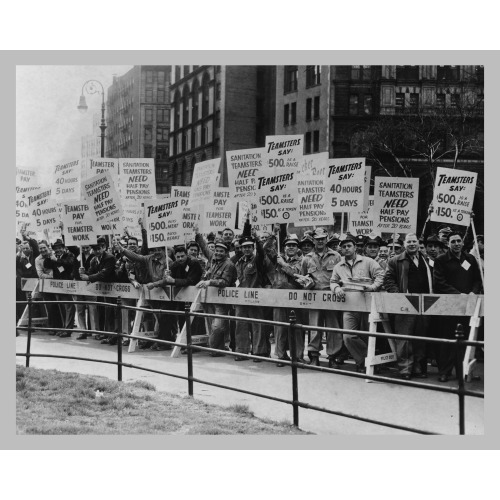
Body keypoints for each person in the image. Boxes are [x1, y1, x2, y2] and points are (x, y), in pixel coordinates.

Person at [330, 234, 384, 372]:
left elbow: (380, 275)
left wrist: (372, 287)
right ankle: (364, 360)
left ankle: (367, 364)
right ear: (340, 250)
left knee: (367, 335)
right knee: (348, 336)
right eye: (343, 247)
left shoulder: (367, 262)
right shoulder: (338, 266)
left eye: (349, 246)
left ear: (355, 248)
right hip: (349, 305)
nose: (346, 249)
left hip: (367, 305)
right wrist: (336, 289)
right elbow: (333, 281)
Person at [433, 231, 482, 382]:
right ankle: (444, 372)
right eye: (453, 241)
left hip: (467, 306)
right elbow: (439, 283)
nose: (456, 244)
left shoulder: (470, 259)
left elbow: (477, 280)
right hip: (449, 306)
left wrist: (473, 292)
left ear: (462, 242)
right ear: (448, 244)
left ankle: (463, 371)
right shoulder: (441, 260)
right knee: (448, 339)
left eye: (458, 241)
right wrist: (457, 294)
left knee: (466, 339)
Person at [384, 233, 433, 379]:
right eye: (409, 241)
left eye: (414, 241)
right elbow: (388, 281)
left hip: (425, 304)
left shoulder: (427, 260)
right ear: (405, 244)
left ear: (418, 243)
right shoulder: (395, 261)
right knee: (404, 339)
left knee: (420, 337)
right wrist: (399, 296)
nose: (412, 244)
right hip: (404, 305)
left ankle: (417, 367)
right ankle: (405, 369)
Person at [115, 241, 173, 350]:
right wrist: (122, 250)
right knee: (159, 318)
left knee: (166, 317)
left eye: (158, 250)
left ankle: (166, 342)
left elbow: (167, 280)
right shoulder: (149, 259)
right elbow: (136, 257)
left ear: (163, 250)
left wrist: (155, 284)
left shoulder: (169, 262)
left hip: (167, 292)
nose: (156, 252)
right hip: (153, 292)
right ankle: (162, 341)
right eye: (154, 250)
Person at [297, 227, 342, 367]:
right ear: (313, 240)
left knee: (332, 328)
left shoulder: (336, 256)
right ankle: (314, 355)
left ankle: (333, 356)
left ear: (327, 239)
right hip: (314, 297)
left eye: (322, 238)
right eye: (317, 239)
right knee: (314, 328)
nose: (320, 241)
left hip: (331, 296)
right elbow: (302, 278)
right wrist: (306, 282)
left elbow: (341, 276)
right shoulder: (307, 258)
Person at [264, 233, 305, 366]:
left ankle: (298, 356)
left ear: (297, 248)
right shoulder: (278, 258)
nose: (291, 247)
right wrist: (272, 234)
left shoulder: (302, 260)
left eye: (293, 245)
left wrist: (283, 264)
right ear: (284, 247)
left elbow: (297, 274)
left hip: (295, 298)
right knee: (280, 328)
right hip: (279, 298)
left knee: (297, 328)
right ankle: (281, 356)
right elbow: (266, 248)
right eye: (288, 245)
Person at [233, 223, 270, 362]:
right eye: (244, 247)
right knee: (240, 325)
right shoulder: (238, 263)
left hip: (255, 298)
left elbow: (262, 252)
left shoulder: (257, 260)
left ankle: (259, 352)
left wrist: (258, 240)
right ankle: (241, 352)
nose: (247, 249)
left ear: (253, 248)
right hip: (241, 299)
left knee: (257, 325)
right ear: (241, 249)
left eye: (249, 247)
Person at [196, 239, 237, 355]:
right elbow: (204, 248)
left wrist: (209, 282)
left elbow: (224, 282)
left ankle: (213, 347)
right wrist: (198, 234)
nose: (218, 253)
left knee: (218, 326)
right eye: (217, 250)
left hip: (222, 301)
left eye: (221, 251)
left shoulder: (229, 265)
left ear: (226, 252)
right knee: (212, 324)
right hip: (210, 299)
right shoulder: (213, 258)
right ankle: (218, 349)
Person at [80, 237, 117, 342]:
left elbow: (104, 274)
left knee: (112, 311)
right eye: (94, 249)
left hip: (112, 288)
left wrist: (89, 277)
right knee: (104, 311)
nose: (96, 251)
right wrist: (84, 272)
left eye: (98, 249)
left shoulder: (109, 258)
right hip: (101, 290)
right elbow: (91, 272)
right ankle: (106, 334)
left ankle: (113, 335)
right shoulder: (93, 259)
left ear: (103, 247)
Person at [44, 239, 76, 337]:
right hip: (58, 287)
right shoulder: (54, 257)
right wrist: (49, 256)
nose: (58, 250)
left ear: (63, 248)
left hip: (68, 285)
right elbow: (46, 265)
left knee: (69, 307)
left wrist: (56, 260)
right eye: (56, 249)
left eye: (59, 248)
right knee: (62, 307)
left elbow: (68, 263)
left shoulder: (69, 255)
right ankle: (63, 328)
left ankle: (68, 329)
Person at [34, 240, 62, 333]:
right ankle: (52, 328)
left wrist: (58, 274)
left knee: (60, 305)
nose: (42, 250)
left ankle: (62, 327)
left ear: (48, 247)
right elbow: (40, 274)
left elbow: (61, 267)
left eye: (44, 247)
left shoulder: (55, 255)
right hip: (47, 285)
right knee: (51, 306)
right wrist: (52, 276)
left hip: (59, 284)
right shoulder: (38, 260)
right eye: (40, 248)